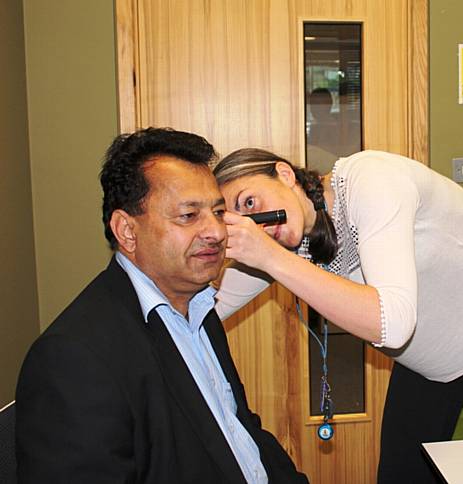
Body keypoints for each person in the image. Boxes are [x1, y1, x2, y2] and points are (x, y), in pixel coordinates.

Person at [212, 148, 463, 483]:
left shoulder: (371, 180)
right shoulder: (282, 243)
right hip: (436, 349)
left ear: (284, 174)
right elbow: (208, 306)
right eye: (238, 220)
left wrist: (272, 259)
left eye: (251, 202)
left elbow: (392, 326)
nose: (256, 224)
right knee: (401, 474)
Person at [15, 128, 307, 484]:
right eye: (188, 216)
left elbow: (239, 428)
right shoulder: (72, 359)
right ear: (126, 231)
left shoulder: (198, 306)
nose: (216, 232)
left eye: (217, 212)